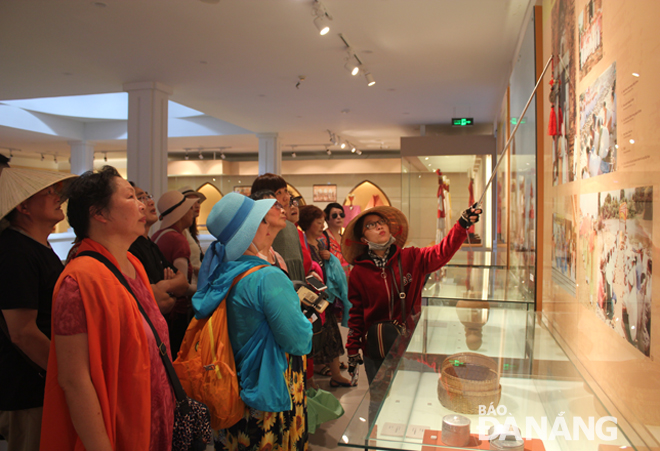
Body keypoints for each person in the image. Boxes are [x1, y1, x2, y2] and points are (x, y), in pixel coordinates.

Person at [40, 166, 175, 451]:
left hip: (154, 420)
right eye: (129, 197)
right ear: (99, 214)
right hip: (118, 428)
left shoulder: (132, 264)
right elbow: (74, 380)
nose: (142, 204)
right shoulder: (78, 281)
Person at [193, 192, 312, 451]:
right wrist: (307, 322)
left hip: (231, 389)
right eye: (263, 220)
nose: (269, 226)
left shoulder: (223, 272)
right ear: (255, 229)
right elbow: (298, 340)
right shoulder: (267, 277)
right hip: (266, 391)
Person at [342, 203, 481, 383]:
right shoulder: (359, 272)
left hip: (409, 347)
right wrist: (352, 351)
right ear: (363, 239)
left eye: (381, 222)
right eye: (371, 225)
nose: (379, 226)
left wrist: (462, 225)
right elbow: (356, 314)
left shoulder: (412, 258)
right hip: (376, 349)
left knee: (406, 397)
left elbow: (442, 252)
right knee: (377, 402)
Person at [0, 168, 76, 451]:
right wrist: (66, 373)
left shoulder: (35, 246)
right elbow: (22, 332)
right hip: (29, 389)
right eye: (49, 193)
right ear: (23, 206)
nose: (58, 198)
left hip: (42, 384)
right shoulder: (15, 252)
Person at [299, 205, 352, 388]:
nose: (321, 225)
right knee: (317, 336)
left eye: (322, 222)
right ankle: (315, 377)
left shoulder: (320, 243)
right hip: (313, 298)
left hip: (325, 296)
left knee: (331, 334)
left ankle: (335, 374)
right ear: (308, 224)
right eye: (318, 222)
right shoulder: (303, 244)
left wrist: (330, 258)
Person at [128, 183, 188, 315]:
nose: (150, 202)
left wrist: (165, 286)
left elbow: (183, 283)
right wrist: (172, 291)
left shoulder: (151, 244)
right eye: (141, 198)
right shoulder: (130, 247)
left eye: (148, 196)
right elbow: (157, 302)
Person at [152, 190, 199, 356]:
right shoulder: (178, 240)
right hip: (177, 312)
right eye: (188, 209)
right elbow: (183, 286)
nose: (192, 213)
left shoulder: (158, 235)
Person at [251, 173, 306, 281]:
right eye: (279, 193)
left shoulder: (290, 227)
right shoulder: (259, 232)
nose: (286, 197)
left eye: (286, 191)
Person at [250, 189, 288, 270]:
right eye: (276, 205)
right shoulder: (250, 259)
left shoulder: (277, 257)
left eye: (281, 206)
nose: (283, 211)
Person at [178, 186, 206, 285]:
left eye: (198, 202)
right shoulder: (181, 231)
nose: (197, 205)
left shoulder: (189, 230)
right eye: (192, 202)